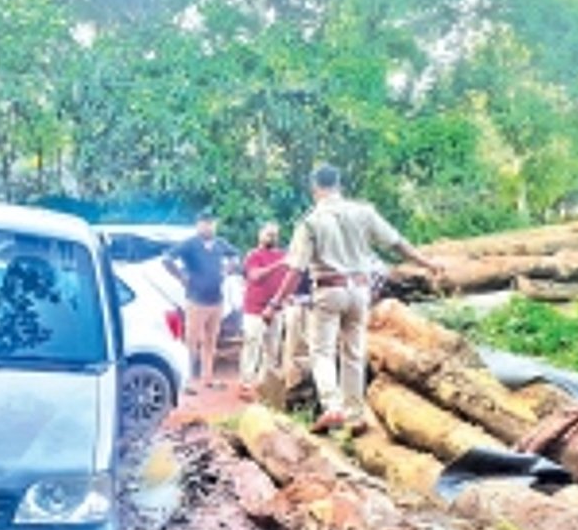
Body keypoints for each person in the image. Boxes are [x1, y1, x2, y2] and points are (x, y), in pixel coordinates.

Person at [262, 164, 444, 434]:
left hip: (328, 289)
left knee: (321, 351)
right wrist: (427, 263)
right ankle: (355, 414)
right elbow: (396, 242)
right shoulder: (363, 212)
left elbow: (295, 269)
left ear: (315, 188)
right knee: (354, 352)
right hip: (360, 290)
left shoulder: (311, 222)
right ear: (339, 184)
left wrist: (275, 303)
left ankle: (333, 407)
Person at [165, 210, 239, 392]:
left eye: (211, 222)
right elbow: (167, 259)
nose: (208, 226)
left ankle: (208, 378)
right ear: (198, 225)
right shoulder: (190, 244)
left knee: (211, 341)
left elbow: (236, 256)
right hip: (196, 300)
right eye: (205, 223)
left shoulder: (220, 244)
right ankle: (187, 381)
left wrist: (228, 269)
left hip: (216, 300)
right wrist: (181, 277)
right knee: (191, 342)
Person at [239, 221, 288, 397]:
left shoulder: (283, 255)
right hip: (255, 308)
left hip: (276, 309)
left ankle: (264, 382)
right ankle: (246, 381)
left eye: (275, 234)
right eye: (268, 234)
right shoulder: (253, 255)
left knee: (272, 349)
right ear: (260, 235)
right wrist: (278, 265)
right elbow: (255, 276)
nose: (272, 238)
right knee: (252, 344)